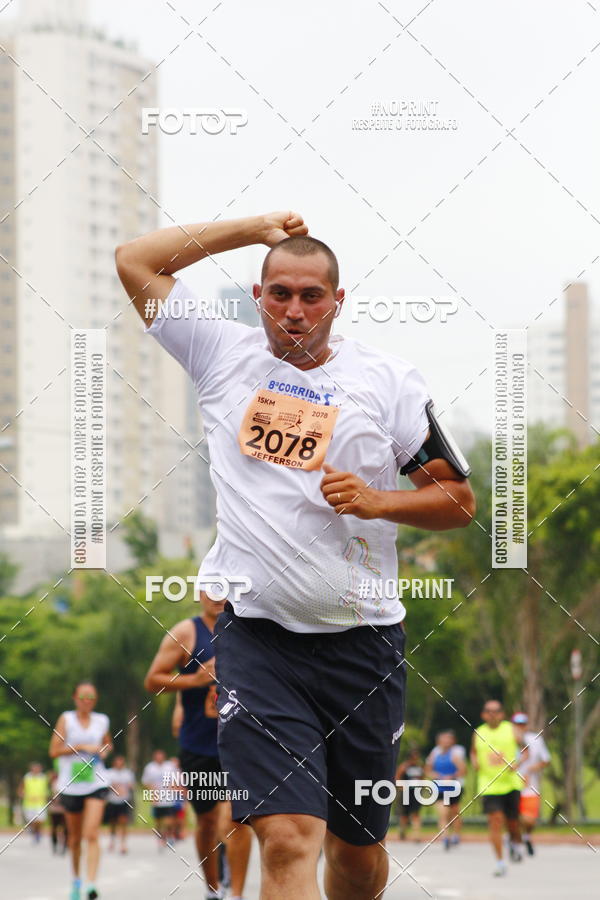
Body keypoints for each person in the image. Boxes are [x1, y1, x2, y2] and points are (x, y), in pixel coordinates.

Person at [117, 211, 475, 899]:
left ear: (337, 302)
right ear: (258, 297)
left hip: (364, 648)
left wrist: (378, 501)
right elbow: (136, 259)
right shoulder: (220, 352)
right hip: (259, 643)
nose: (295, 309)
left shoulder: (387, 381)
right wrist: (254, 229)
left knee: (357, 855)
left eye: (312, 295)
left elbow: (456, 500)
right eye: (279, 292)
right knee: (285, 840)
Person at [145, 593, 252, 900]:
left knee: (236, 819)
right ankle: (213, 889)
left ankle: (238, 895)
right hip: (198, 746)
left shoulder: (250, 628)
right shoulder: (185, 632)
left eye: (225, 588)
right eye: (211, 588)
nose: (218, 596)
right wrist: (194, 681)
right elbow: (153, 680)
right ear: (199, 593)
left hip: (241, 742)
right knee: (206, 823)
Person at [49, 681, 113, 900]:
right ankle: (76, 879)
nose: (87, 701)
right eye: (83, 697)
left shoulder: (102, 720)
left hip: (96, 782)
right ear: (75, 698)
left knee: (91, 834)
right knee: (75, 839)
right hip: (71, 784)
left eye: (91, 697)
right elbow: (54, 751)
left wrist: (103, 751)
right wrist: (81, 748)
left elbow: (107, 743)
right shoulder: (66, 719)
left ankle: (91, 884)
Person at [471, 700, 523, 877]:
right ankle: (500, 862)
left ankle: (515, 843)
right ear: (483, 714)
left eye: (496, 711)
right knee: (495, 821)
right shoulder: (479, 732)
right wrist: (475, 761)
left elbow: (526, 750)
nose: (492, 714)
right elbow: (473, 752)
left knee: (513, 823)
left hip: (510, 783)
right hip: (489, 784)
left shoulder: (511, 729)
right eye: (488, 711)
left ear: (502, 714)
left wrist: (518, 763)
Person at [511, 712, 551, 855]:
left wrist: (532, 769)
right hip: (512, 785)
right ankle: (514, 842)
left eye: (522, 724)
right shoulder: (508, 739)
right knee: (513, 817)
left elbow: (546, 759)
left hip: (530, 785)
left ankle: (526, 836)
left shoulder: (536, 739)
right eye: (517, 724)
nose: (520, 727)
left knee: (530, 820)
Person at [425, 730, 466, 849]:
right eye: (444, 740)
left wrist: (452, 777)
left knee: (454, 813)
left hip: (454, 788)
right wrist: (436, 775)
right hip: (439, 788)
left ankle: (456, 835)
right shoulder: (434, 753)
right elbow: (428, 770)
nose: (446, 742)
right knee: (443, 813)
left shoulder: (456, 753)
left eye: (448, 740)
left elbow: (464, 771)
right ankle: (445, 837)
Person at [141, 750, 178, 849]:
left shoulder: (170, 766)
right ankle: (160, 838)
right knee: (158, 821)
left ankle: (168, 836)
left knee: (169, 821)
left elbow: (176, 780)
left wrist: (173, 788)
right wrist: (152, 792)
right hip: (157, 799)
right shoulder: (150, 768)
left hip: (169, 798)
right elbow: (145, 782)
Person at [104, 755, 135, 854]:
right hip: (112, 801)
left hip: (124, 801)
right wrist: (117, 788)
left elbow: (131, 785)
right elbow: (107, 785)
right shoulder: (109, 773)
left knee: (123, 822)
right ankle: (112, 840)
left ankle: (123, 844)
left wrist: (127, 788)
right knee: (112, 822)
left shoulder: (128, 773)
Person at [394, 748, 425, 843]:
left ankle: (416, 835)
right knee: (404, 815)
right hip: (405, 793)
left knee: (415, 814)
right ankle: (402, 831)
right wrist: (402, 789)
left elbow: (422, 778)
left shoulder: (419, 767)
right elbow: (397, 778)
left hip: (416, 792)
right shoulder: (404, 767)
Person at [19, 762, 49, 844]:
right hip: (29, 803)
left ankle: (37, 833)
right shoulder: (27, 777)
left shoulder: (44, 778)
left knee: (39, 820)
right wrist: (23, 795)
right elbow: (21, 789)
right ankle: (35, 832)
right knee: (31, 821)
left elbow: (47, 789)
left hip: (40, 803)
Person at [49, 768, 68, 854]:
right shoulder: (52, 784)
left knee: (65, 828)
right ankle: (55, 846)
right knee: (54, 828)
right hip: (55, 809)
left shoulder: (66, 782)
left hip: (64, 809)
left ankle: (64, 847)